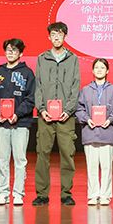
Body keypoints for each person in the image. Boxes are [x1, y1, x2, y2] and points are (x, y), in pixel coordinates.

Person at [33, 21, 81, 206]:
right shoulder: (42, 58)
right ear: (49, 37)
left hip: (66, 117)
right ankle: (42, 194)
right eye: (53, 34)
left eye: (60, 34)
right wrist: (42, 109)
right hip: (45, 116)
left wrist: (68, 110)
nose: (56, 37)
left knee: (67, 154)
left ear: (65, 37)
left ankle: (66, 193)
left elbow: (75, 86)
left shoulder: (73, 59)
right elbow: (38, 86)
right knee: (42, 154)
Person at [0, 38, 36, 207]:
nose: (11, 53)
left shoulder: (27, 73)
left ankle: (18, 193)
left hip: (21, 123)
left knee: (20, 159)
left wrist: (17, 114)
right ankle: (2, 192)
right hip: (0, 123)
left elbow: (31, 99)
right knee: (2, 159)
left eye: (14, 50)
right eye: (8, 49)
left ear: (20, 53)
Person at [76, 59, 113, 205]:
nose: (99, 70)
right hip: (90, 133)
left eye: (102, 67)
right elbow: (79, 109)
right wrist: (87, 119)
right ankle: (93, 194)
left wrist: (111, 119)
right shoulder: (85, 90)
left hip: (108, 133)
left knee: (107, 166)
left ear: (107, 71)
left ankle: (105, 195)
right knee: (92, 166)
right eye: (96, 67)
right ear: (92, 70)